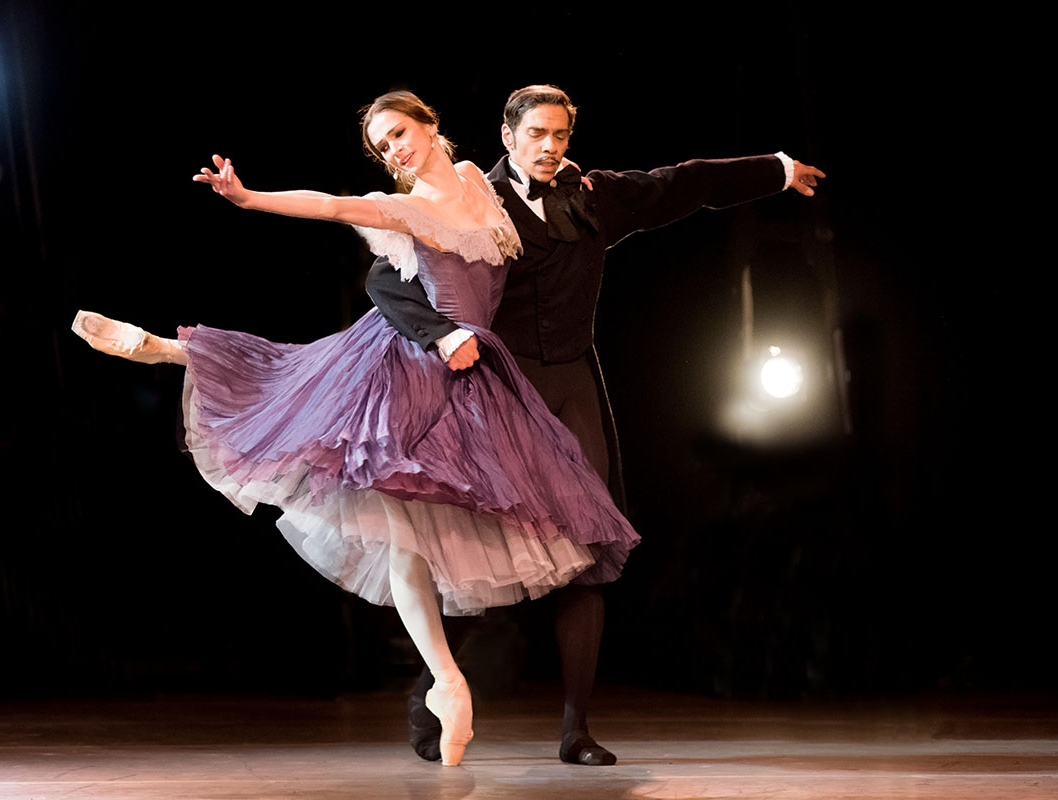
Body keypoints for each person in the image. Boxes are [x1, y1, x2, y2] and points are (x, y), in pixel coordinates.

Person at [70, 91, 641, 767]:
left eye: (401, 132)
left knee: (425, 533)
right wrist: (250, 199)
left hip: (476, 374)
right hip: (408, 362)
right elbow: (330, 205)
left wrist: (562, 162)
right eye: (383, 143)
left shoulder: (477, 185)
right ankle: (169, 348)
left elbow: (546, 176)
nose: (395, 148)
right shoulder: (404, 209)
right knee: (301, 406)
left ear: (432, 127)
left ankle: (449, 688)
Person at [366, 84, 826, 766]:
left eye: (560, 135)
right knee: (480, 553)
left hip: (575, 382)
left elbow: (683, 184)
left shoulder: (592, 194)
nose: (549, 147)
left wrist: (776, 169)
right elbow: (387, 279)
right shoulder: (470, 199)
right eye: (537, 136)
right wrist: (437, 336)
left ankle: (576, 729)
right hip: (499, 387)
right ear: (506, 136)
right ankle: (435, 686)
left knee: (587, 556)